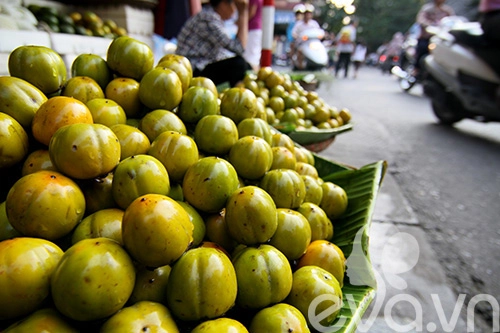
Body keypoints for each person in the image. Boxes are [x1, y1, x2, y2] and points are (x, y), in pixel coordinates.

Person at [176, 0, 251, 87]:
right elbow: (239, 48)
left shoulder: (211, 17)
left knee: (246, 66)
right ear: (223, 4)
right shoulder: (207, 18)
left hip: (201, 67)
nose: (234, 10)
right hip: (192, 72)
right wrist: (243, 13)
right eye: (233, 5)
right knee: (239, 65)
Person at [414, 0, 455, 75]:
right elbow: (421, 20)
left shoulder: (447, 10)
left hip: (441, 38)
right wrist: (429, 25)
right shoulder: (427, 9)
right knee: (422, 48)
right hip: (427, 37)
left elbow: (453, 20)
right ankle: (416, 69)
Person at [291, 3, 321, 70]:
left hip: (312, 43)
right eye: (306, 13)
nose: (307, 15)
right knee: (300, 51)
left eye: (309, 13)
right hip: (302, 43)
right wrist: (297, 36)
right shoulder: (299, 24)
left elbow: (319, 32)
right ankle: (300, 66)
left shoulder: (314, 24)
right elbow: (294, 33)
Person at [243, 0, 263, 71]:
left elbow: (251, 12)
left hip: (252, 29)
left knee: (251, 57)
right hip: (254, 29)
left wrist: (241, 23)